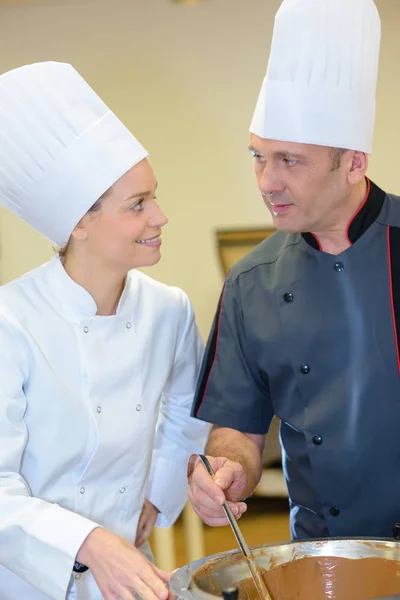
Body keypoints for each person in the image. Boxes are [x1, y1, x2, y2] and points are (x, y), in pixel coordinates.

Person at [187, 0, 400, 541]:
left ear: (354, 161)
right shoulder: (250, 283)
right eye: (258, 157)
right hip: (326, 559)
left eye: (289, 160)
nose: (266, 181)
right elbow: (236, 426)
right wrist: (227, 470)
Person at [0, 61, 210, 600]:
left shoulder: (169, 310)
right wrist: (90, 542)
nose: (161, 216)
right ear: (80, 222)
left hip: (125, 575)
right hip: (24, 582)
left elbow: (189, 412)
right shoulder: (11, 321)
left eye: (153, 196)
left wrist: (157, 498)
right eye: (137, 205)